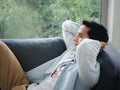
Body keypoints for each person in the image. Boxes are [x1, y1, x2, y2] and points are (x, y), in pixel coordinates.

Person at [0, 20, 108, 90]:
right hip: (24, 85)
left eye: (80, 36)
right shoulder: (72, 50)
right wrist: (83, 32)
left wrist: (99, 43)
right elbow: (67, 25)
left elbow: (85, 48)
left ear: (93, 44)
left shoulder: (88, 73)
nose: (75, 39)